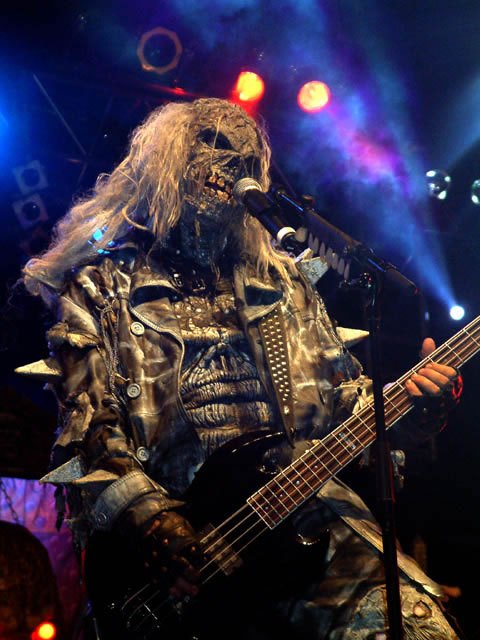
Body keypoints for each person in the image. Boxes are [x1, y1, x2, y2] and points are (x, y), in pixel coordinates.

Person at [18, 98, 463, 639]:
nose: (231, 163)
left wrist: (415, 409)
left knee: (415, 627)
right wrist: (153, 523)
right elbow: (91, 432)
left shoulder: (283, 283)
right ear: (166, 161)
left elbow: (342, 401)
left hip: (301, 512)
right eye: (211, 146)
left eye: (247, 158)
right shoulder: (100, 287)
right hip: (183, 556)